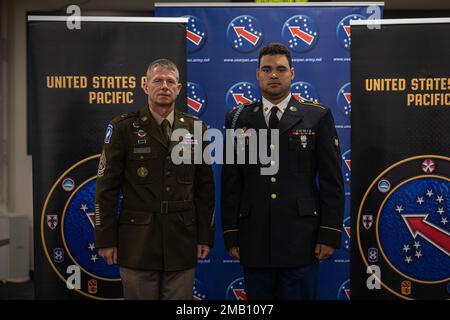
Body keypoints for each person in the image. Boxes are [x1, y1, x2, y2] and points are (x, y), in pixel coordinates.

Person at [221, 43, 344, 300]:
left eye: (280, 69)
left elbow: (332, 181)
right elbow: (232, 180)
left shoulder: (316, 116)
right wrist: (231, 234)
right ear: (257, 75)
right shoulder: (237, 117)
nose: (273, 75)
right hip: (254, 238)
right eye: (266, 69)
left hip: (302, 238)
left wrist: (329, 233)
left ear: (292, 74)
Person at [94, 59, 215, 300]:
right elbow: (106, 189)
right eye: (157, 81)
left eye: (170, 82)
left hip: (181, 240)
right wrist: (105, 239)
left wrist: (205, 236)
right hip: (137, 242)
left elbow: (205, 189)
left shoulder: (197, 129)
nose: (164, 86)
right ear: (145, 86)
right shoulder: (123, 128)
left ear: (179, 89)